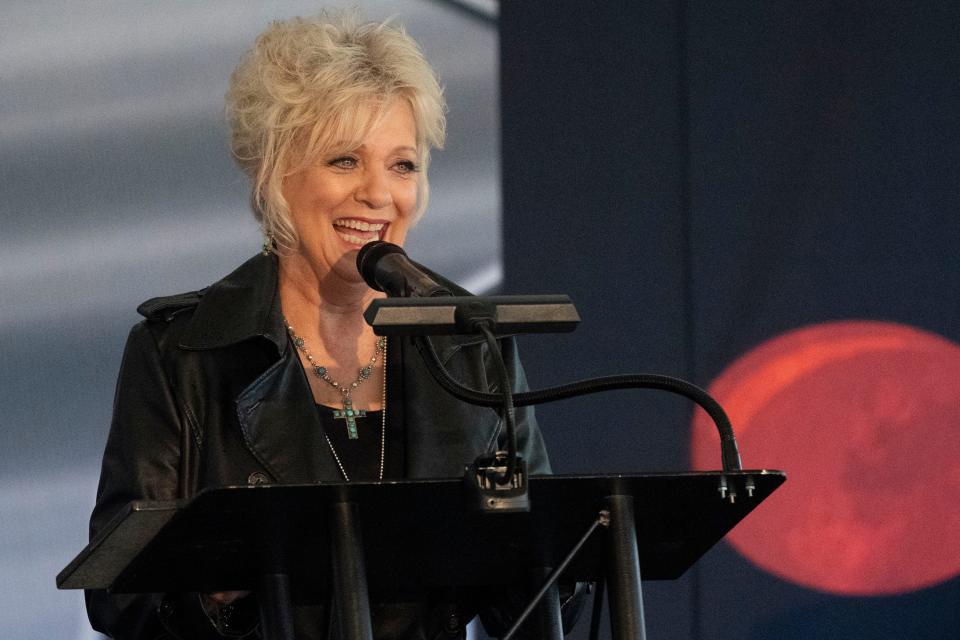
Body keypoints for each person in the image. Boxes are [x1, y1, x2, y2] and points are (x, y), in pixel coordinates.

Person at [85, 12, 568, 640]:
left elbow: (559, 578)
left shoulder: (469, 340)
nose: (378, 194)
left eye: (403, 165)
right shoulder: (183, 351)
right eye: (345, 160)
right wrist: (219, 581)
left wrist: (523, 557)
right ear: (276, 175)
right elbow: (119, 595)